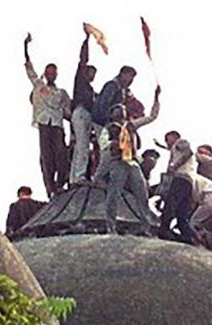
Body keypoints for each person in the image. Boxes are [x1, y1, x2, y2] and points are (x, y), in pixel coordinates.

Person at [94, 95, 159, 235]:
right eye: (116, 109)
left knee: (142, 194)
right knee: (114, 194)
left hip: (133, 163)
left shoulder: (130, 125)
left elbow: (152, 117)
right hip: (118, 163)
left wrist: (156, 98)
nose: (121, 110)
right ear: (111, 115)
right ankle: (110, 226)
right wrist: (113, 145)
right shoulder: (109, 129)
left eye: (122, 108)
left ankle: (145, 226)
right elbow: (104, 145)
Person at [24, 33, 72, 199]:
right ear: (45, 74)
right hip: (44, 123)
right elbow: (29, 69)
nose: (51, 75)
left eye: (54, 73)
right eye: (49, 72)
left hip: (57, 125)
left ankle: (60, 184)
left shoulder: (61, 93)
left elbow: (69, 112)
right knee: (46, 158)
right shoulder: (39, 86)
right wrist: (26, 46)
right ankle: (50, 188)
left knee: (61, 155)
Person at [70, 25, 99, 186]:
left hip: (85, 114)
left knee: (80, 146)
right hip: (81, 112)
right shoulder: (80, 82)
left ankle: (75, 177)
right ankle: (79, 176)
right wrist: (86, 40)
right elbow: (83, 60)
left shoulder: (90, 89)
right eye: (90, 72)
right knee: (82, 146)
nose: (92, 76)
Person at [158, 139, 198, 244]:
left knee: (171, 204)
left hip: (181, 177)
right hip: (188, 181)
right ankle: (187, 235)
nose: (167, 142)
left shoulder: (180, 142)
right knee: (182, 210)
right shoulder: (174, 150)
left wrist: (175, 166)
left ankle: (164, 229)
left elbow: (188, 152)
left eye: (168, 139)